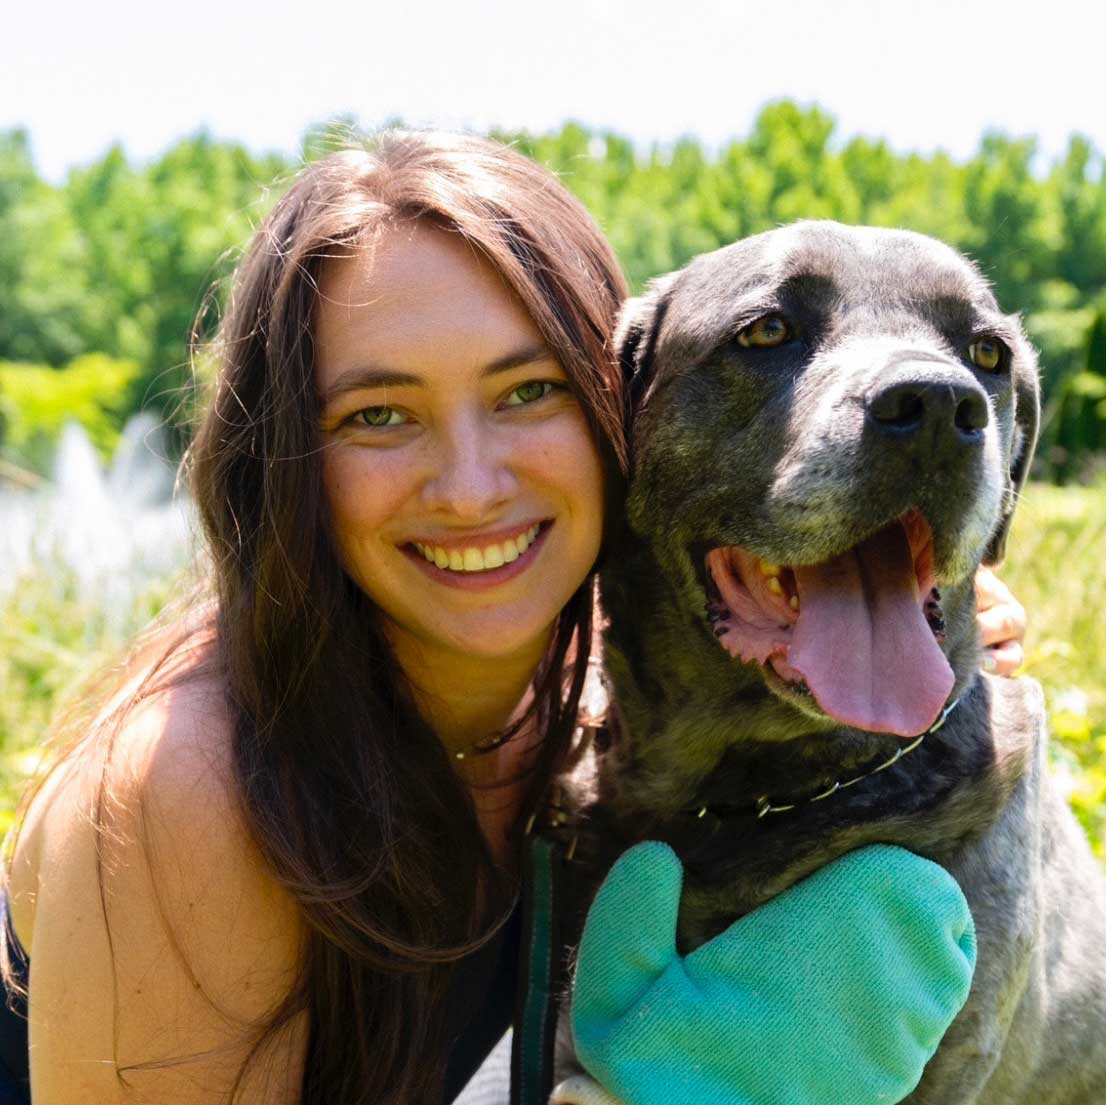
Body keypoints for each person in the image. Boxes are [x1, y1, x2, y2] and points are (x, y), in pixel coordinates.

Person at [0, 131, 1027, 1105]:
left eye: (527, 391)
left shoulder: (585, 712)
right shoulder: (184, 798)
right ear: (281, 467)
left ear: (615, 404)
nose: (471, 484)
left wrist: (879, 598)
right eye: (379, 415)